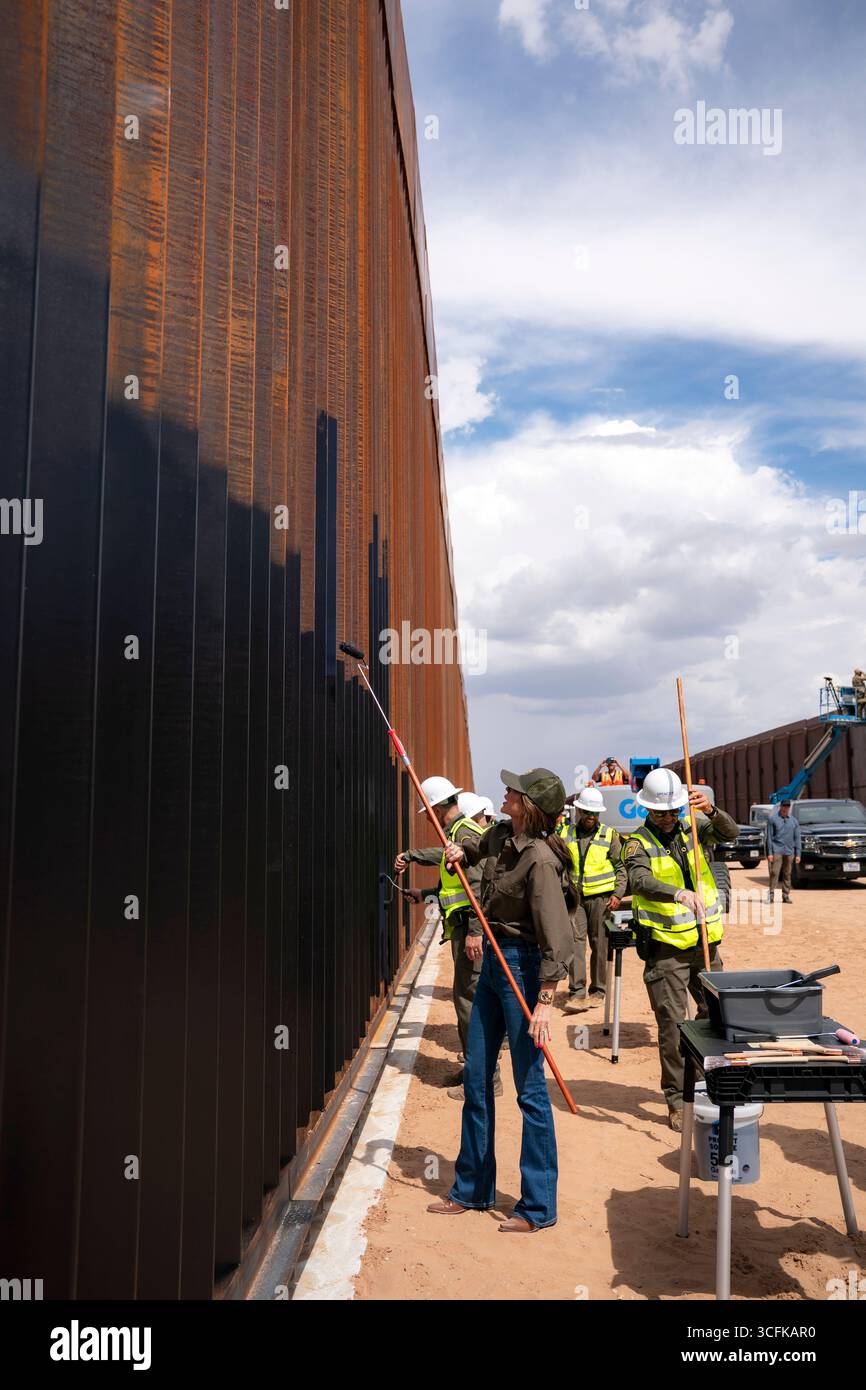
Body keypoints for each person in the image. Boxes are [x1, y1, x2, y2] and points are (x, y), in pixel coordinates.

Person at [427, 768, 574, 1232]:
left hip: (524, 970)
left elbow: (559, 937)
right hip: (492, 964)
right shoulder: (500, 835)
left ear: (528, 805)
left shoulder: (541, 861)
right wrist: (456, 849)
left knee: (530, 1091)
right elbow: (475, 848)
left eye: (513, 790)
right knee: (476, 1076)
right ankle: (471, 1189)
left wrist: (545, 1000)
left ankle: (536, 1207)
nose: (504, 792)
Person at [624, 767, 738, 1131]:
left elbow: (730, 833)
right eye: (661, 812)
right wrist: (678, 893)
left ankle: (708, 1081)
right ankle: (676, 1099)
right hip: (666, 951)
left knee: (717, 1016)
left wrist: (712, 811)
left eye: (673, 810)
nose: (669, 817)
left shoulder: (693, 826)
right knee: (673, 1025)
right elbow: (639, 881)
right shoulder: (637, 842)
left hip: (705, 943)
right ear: (647, 810)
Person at [395, 778, 502, 1097]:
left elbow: (479, 888)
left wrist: (474, 932)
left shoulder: (464, 833)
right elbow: (450, 879)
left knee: (472, 1001)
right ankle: (476, 1069)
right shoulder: (455, 834)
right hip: (462, 927)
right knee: (466, 999)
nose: (426, 817)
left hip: (471, 932)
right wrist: (423, 892)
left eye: (427, 811)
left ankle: (484, 1078)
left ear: (437, 807)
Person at [559, 785, 627, 1012]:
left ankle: (598, 991)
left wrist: (617, 894)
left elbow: (621, 867)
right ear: (578, 811)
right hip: (575, 900)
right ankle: (577, 993)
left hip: (602, 900)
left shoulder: (609, 835)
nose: (591, 817)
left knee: (600, 943)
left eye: (595, 813)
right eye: (587, 812)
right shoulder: (565, 833)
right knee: (575, 945)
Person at [766, 799, 801, 904]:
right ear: (780, 807)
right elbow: (769, 838)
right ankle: (771, 895)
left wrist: (798, 854)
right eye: (784, 806)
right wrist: (770, 853)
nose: (785, 808)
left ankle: (785, 896)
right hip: (777, 850)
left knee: (787, 873)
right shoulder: (773, 820)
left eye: (787, 806)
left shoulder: (794, 821)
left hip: (789, 851)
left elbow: (797, 838)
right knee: (774, 873)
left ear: (789, 808)